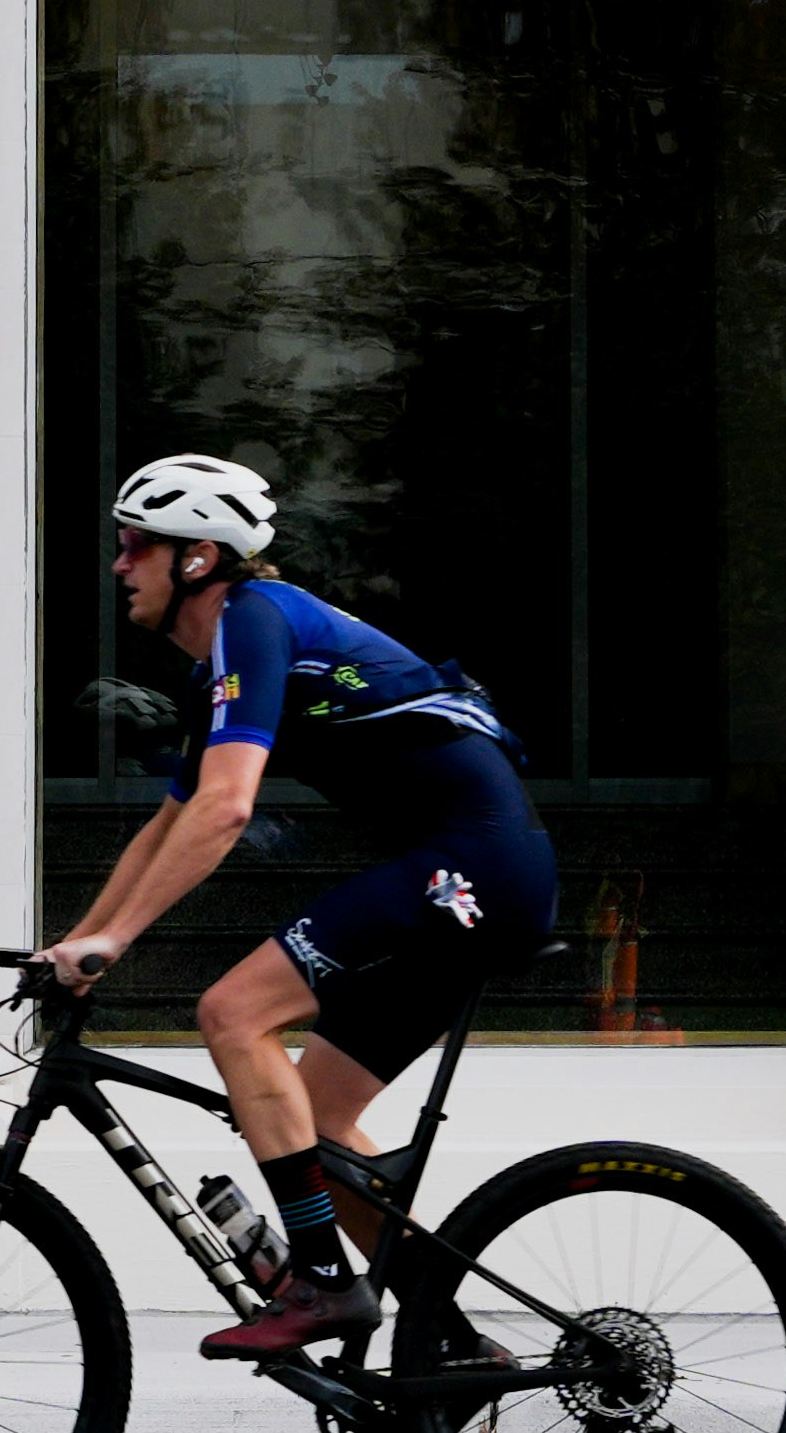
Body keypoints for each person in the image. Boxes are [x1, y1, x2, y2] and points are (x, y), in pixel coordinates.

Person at [31, 449, 554, 1357]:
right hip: (470, 872)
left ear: (196, 559)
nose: (119, 566)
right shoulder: (220, 668)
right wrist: (73, 945)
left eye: (135, 546)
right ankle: (455, 1341)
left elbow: (228, 810)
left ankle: (320, 1281)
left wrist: (116, 941)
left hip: (476, 865)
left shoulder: (255, 618)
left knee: (233, 1013)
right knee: (311, 1120)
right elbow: (170, 827)